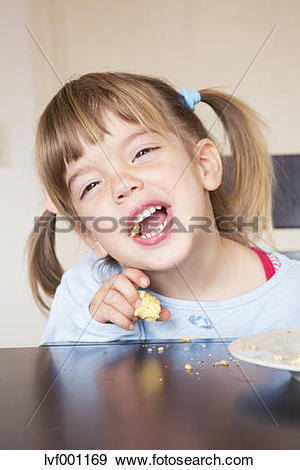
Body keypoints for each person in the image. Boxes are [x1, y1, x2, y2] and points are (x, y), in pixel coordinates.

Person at [25, 72, 300, 345]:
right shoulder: (85, 290)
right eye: (91, 184)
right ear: (90, 235)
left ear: (204, 165)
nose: (122, 184)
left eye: (142, 152)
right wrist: (95, 328)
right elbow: (55, 381)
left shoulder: (291, 298)